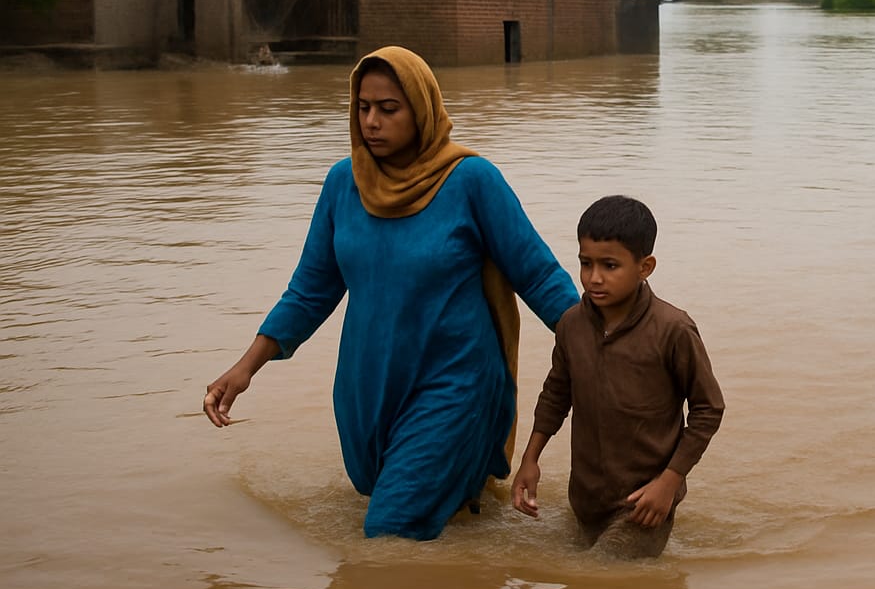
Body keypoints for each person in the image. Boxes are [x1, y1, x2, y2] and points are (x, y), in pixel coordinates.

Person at [203, 45, 578, 540]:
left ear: (421, 109)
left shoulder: (471, 180)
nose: (371, 122)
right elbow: (311, 290)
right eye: (363, 107)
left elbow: (537, 276)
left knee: (388, 528)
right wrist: (246, 367)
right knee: (403, 506)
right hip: (369, 386)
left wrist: (602, 346)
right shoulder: (344, 183)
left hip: (455, 382)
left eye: (388, 108)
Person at [513, 195, 724, 558]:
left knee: (597, 576)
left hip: (643, 504)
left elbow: (709, 409)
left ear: (645, 267)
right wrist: (529, 460)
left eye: (610, 266)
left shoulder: (672, 330)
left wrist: (669, 483)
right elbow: (555, 396)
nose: (594, 278)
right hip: (586, 498)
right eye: (585, 263)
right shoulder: (571, 325)